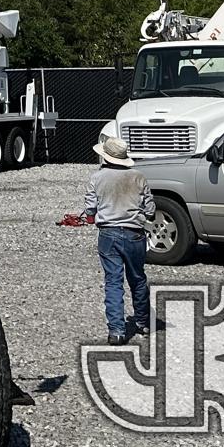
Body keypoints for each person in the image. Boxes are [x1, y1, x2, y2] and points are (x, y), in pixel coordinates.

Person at [82, 132, 154, 345]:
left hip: (108, 233)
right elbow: (150, 208)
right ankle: (142, 322)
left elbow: (90, 207)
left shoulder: (97, 177)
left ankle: (117, 331)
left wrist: (90, 217)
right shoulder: (138, 177)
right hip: (134, 233)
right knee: (137, 278)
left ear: (106, 157)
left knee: (113, 282)